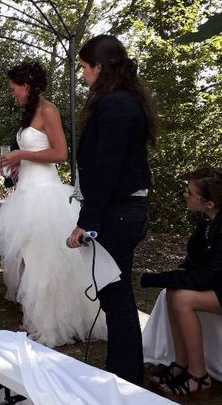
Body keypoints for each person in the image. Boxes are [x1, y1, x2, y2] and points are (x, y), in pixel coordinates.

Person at [0, 61, 107, 348]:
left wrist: (21, 152)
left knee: (45, 260)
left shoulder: (48, 110)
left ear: (26, 86)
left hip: (45, 196)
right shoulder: (28, 112)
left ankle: (51, 326)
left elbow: (60, 153)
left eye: (13, 88)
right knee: (30, 258)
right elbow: (36, 152)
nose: (12, 93)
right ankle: (35, 317)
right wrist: (20, 162)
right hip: (26, 191)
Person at [67, 35, 157, 385]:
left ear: (99, 67)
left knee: (116, 296)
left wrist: (86, 222)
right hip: (120, 210)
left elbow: (107, 167)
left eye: (85, 68)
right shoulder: (120, 99)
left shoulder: (116, 104)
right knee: (114, 294)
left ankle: (125, 378)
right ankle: (124, 371)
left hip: (119, 213)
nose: (83, 75)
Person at [140, 166, 222, 399]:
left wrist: (152, 278)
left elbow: (206, 278)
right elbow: (197, 258)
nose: (185, 195)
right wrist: (177, 274)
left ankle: (199, 376)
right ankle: (181, 364)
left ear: (208, 202)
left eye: (189, 193)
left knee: (182, 297)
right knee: (173, 291)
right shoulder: (208, 217)